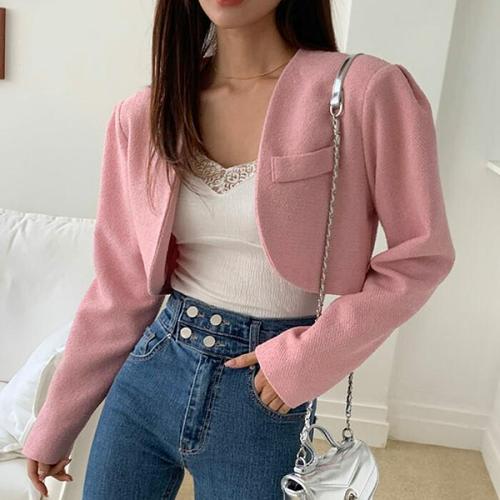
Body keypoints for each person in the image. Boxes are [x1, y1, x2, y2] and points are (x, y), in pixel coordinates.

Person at [23, 0, 456, 498]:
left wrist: (308, 359)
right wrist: (56, 420)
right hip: (151, 374)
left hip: (263, 394)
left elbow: (421, 257)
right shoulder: (145, 112)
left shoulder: (363, 90)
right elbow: (120, 286)